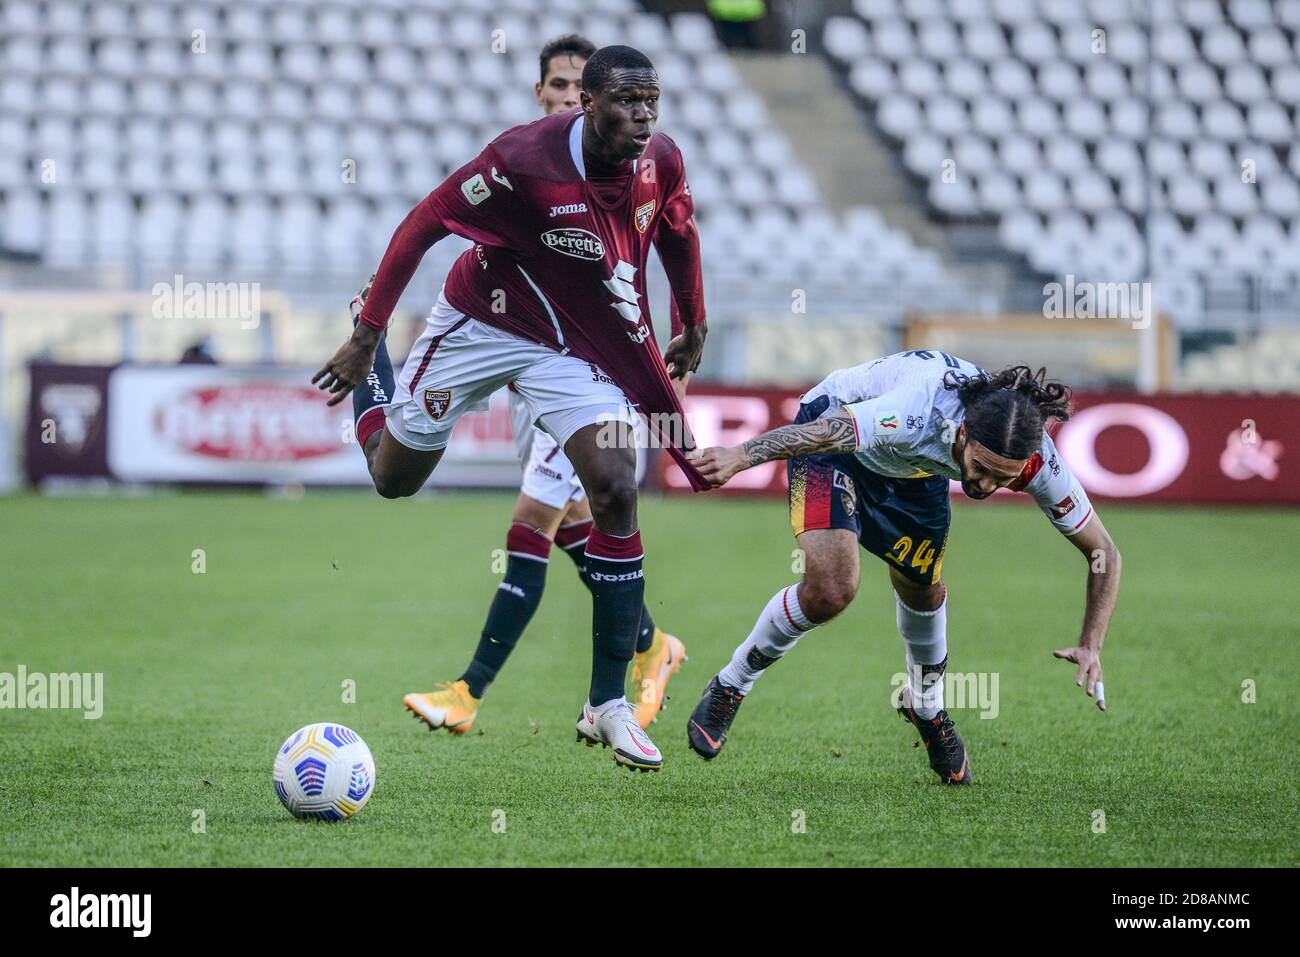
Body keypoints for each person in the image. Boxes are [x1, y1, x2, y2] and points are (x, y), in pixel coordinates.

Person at [313, 45, 708, 772]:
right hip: (483, 322)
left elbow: (679, 231)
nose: (644, 114)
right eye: (626, 100)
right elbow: (423, 221)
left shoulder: (661, 161)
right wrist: (367, 334)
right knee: (393, 477)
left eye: (651, 100)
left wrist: (695, 319)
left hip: (570, 343)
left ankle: (606, 704)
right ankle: (383, 382)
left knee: (616, 482)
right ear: (581, 103)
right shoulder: (520, 161)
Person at [685, 352, 1121, 784]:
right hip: (832, 443)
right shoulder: (919, 410)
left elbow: (1104, 552)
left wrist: (1091, 644)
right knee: (832, 589)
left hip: (913, 472)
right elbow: (827, 432)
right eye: (981, 469)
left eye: (1003, 479)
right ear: (963, 432)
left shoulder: (1037, 461)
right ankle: (732, 682)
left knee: (923, 591)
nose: (985, 487)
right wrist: (743, 455)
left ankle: (926, 706)